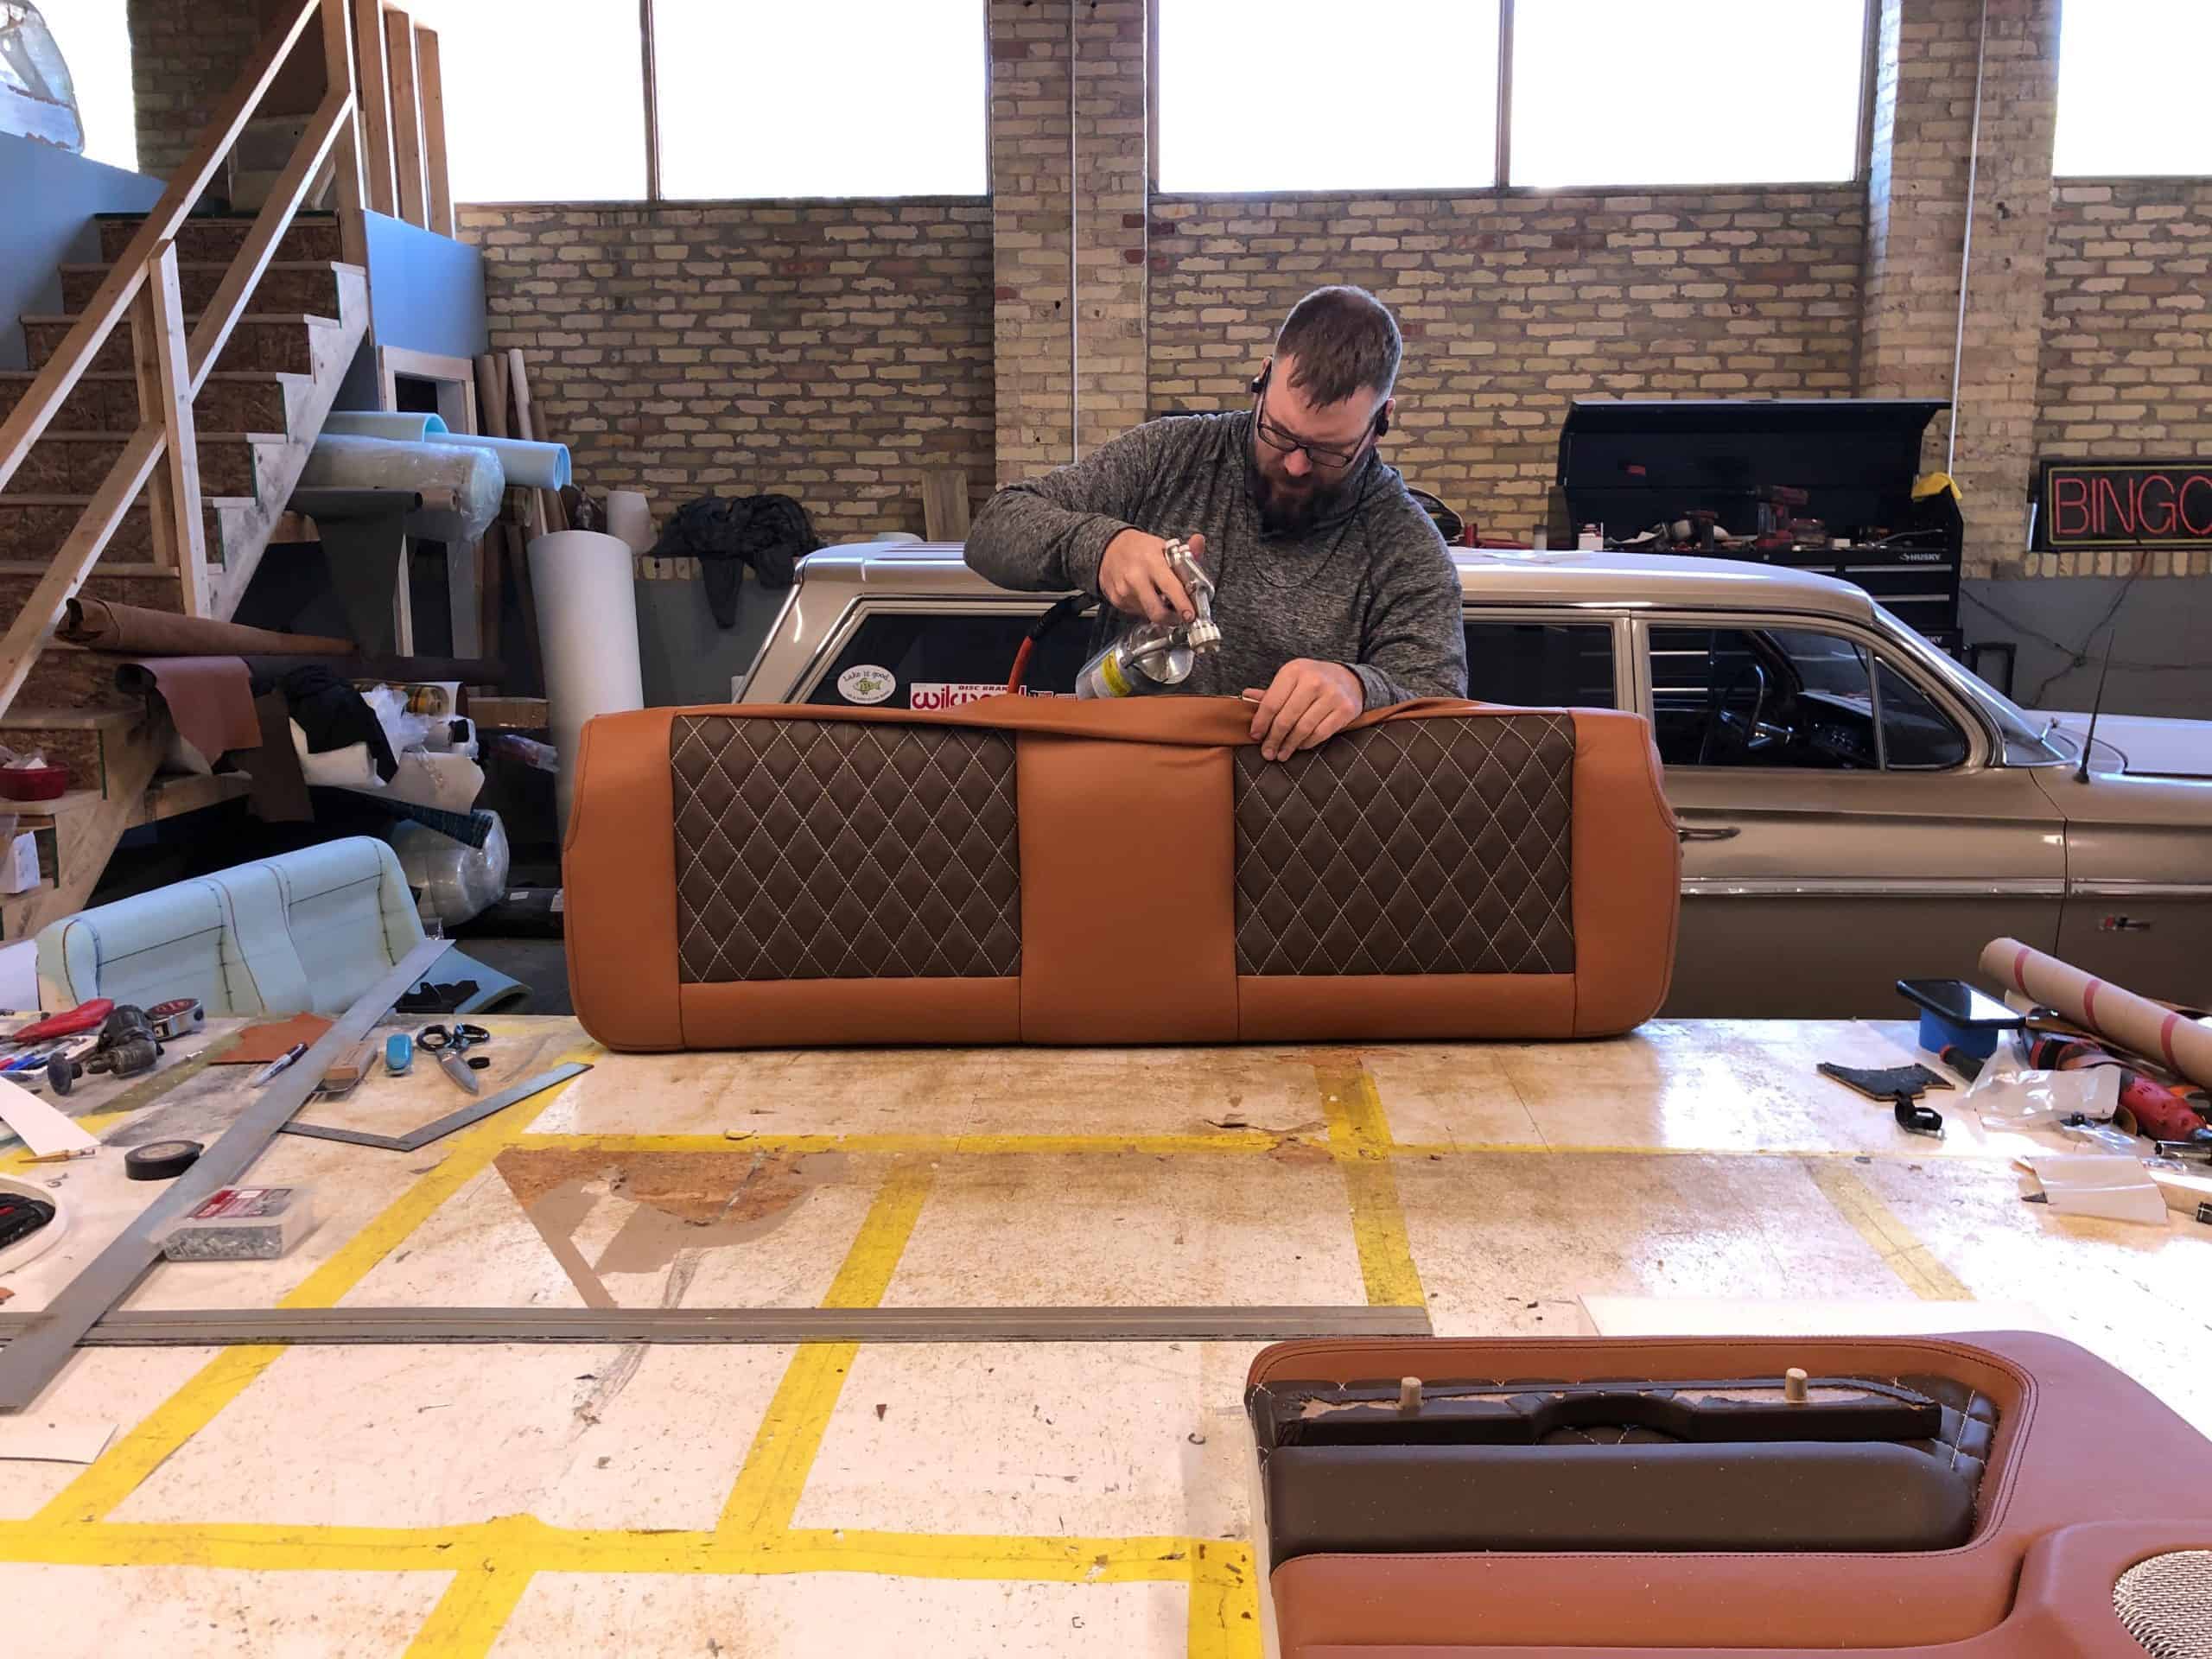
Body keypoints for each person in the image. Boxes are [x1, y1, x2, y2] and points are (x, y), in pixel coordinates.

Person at [964, 285, 1468, 760]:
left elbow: (1442, 710)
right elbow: (994, 527)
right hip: (1123, 787)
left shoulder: (1405, 545)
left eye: (1329, 451)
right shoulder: (1169, 456)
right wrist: (1101, 549)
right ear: (1263, 378)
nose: (1296, 465)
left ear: (1382, 422)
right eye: (1279, 433)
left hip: (1294, 812)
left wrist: (1360, 687)